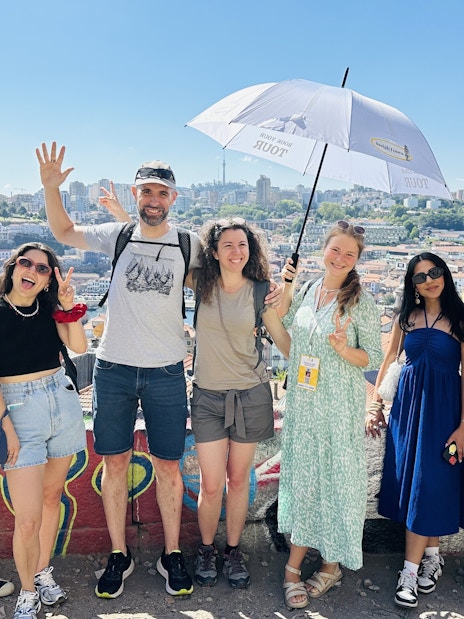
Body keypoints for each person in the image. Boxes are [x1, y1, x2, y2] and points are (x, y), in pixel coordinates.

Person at [36, 142, 281, 600]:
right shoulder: (118, 234)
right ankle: (117, 553)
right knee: (114, 464)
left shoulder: (187, 245)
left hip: (167, 370)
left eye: (161, 192)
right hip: (114, 368)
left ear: (174, 198)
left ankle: (171, 554)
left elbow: (229, 279)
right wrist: (52, 188)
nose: (153, 198)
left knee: (169, 467)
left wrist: (271, 293)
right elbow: (63, 230)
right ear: (136, 194)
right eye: (146, 190)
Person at [277, 221, 383, 609]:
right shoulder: (308, 291)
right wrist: (285, 283)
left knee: (337, 485)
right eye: (335, 250)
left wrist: (341, 348)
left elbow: (370, 356)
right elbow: (284, 328)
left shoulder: (361, 302)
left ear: (357, 260)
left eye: (349, 254)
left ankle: (330, 565)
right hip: (305, 406)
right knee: (304, 484)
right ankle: (293, 567)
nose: (340, 258)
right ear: (324, 250)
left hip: (338, 408)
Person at [189, 219, 290, 589]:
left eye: (242, 245)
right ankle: (205, 548)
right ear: (213, 252)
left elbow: (283, 341)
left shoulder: (262, 291)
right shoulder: (200, 286)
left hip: (250, 394)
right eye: (228, 245)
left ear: (252, 250)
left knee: (238, 480)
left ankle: (232, 550)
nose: (236, 252)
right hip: (208, 396)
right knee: (212, 484)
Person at [366, 252, 464, 609]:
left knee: (429, 483)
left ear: (445, 274)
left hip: (443, 412)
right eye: (420, 277)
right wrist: (375, 404)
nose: (429, 280)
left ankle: (408, 572)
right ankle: (432, 556)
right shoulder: (405, 317)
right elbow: (390, 359)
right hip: (408, 410)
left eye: (434, 272)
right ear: (413, 285)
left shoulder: (460, 318)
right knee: (418, 486)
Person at [0, 243, 87, 619]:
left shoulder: (49, 309)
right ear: (13, 266)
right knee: (28, 516)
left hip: (61, 400)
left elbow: (80, 346)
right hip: (17, 410)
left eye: (43, 268)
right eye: (26, 262)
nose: (32, 271)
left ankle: (42, 572)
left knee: (53, 498)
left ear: (48, 278)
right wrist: (7, 427)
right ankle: (27, 591)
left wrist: (67, 307)